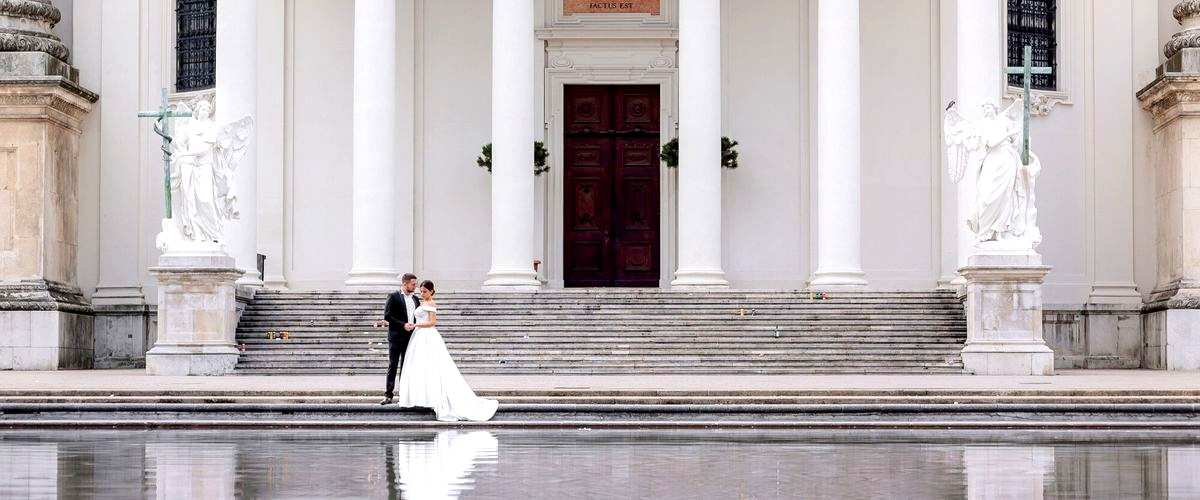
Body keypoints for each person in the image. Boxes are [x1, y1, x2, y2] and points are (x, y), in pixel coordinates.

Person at [393, 280, 498, 421]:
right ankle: (422, 397)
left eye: (425, 291)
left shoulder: (430, 304)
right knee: (419, 366)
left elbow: (432, 322)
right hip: (418, 336)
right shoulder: (422, 303)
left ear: (431, 291)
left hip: (427, 335)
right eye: (421, 291)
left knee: (432, 366)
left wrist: (416, 325)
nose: (422, 294)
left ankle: (433, 398)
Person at [375, 273, 420, 405]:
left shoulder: (416, 299)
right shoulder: (393, 296)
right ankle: (388, 395)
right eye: (413, 283)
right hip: (395, 337)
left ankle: (405, 395)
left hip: (410, 338)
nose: (415, 286)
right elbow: (387, 316)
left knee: (406, 367)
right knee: (393, 366)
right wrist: (403, 325)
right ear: (405, 283)